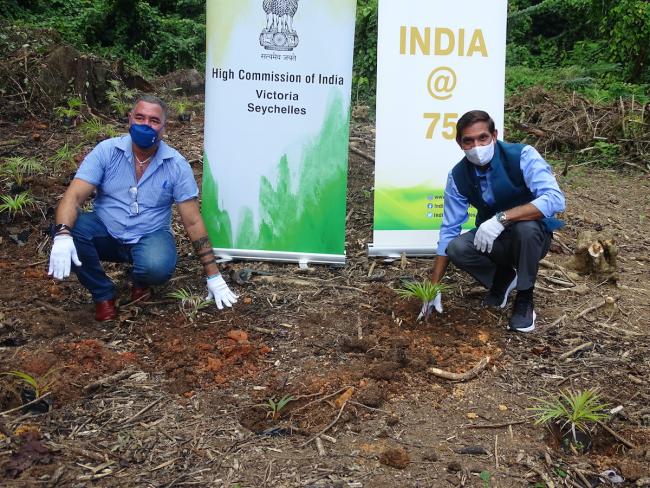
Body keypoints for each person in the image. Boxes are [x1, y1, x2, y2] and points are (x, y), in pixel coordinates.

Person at [48, 95, 237, 321]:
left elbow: (192, 221)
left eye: (154, 121)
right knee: (70, 228)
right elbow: (74, 195)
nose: (146, 125)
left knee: (157, 266)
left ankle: (141, 280)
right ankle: (103, 294)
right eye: (140, 117)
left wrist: (213, 275)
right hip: (106, 231)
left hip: (150, 235)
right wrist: (62, 234)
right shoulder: (106, 152)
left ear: (164, 128)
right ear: (130, 120)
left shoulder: (176, 165)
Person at [422, 110, 565, 332]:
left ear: (494, 135)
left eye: (483, 138)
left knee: (525, 229)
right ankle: (504, 279)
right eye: (468, 141)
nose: (477, 146)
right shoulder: (458, 176)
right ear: (459, 143)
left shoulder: (522, 155)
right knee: (457, 248)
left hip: (532, 237)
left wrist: (502, 218)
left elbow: (555, 199)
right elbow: (449, 230)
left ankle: (525, 300)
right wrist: (434, 286)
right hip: (493, 241)